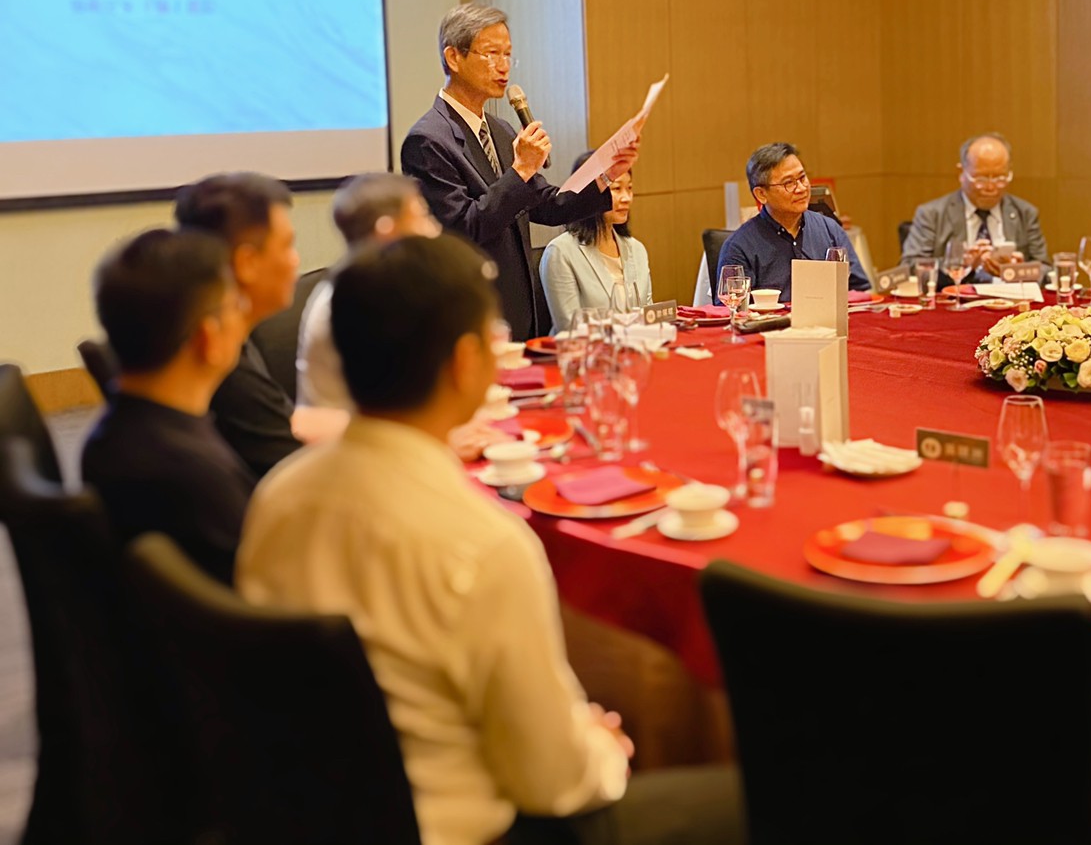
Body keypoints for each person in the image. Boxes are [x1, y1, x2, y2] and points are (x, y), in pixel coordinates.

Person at [237, 235, 741, 845]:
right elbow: (553, 783)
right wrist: (599, 748)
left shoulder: (277, 497)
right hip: (459, 828)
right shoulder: (484, 541)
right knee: (755, 801)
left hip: (306, 812)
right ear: (465, 361)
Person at [401, 3, 643, 339]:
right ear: (454, 57)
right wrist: (521, 170)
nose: (503, 67)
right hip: (469, 315)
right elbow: (462, 230)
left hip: (518, 310)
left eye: (507, 55)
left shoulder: (500, 130)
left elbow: (548, 206)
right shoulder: (428, 140)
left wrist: (605, 174)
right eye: (491, 54)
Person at [81, 229, 253, 584]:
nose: (245, 315)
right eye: (237, 304)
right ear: (208, 338)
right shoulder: (200, 475)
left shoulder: (115, 435)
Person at [174, 172, 339, 477]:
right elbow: (301, 471)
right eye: (286, 246)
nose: (295, 261)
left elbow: (284, 425)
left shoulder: (202, 340)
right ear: (246, 263)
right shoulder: (225, 370)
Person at [297, 173, 440, 411]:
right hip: (354, 429)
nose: (435, 229)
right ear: (387, 230)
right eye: (423, 216)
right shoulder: (356, 304)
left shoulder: (397, 286)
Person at [715, 142, 870, 303]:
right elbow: (731, 309)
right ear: (761, 194)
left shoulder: (830, 229)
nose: (801, 188)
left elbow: (858, 291)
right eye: (788, 183)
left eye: (802, 178)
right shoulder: (739, 247)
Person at [900, 133, 1049, 283]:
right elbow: (910, 267)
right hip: (954, 294)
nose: (990, 187)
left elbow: (1047, 270)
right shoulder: (932, 214)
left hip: (1010, 296)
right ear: (961, 173)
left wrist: (1020, 271)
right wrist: (960, 263)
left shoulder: (1025, 213)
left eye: (1000, 178)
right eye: (980, 179)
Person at [539, 150, 653, 334]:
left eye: (629, 188)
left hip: (636, 347)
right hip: (583, 350)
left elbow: (649, 316)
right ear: (588, 193)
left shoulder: (636, 249)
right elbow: (569, 327)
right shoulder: (560, 252)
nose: (626, 198)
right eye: (617, 189)